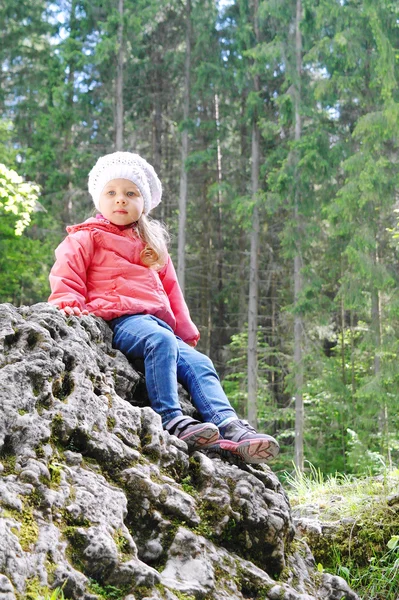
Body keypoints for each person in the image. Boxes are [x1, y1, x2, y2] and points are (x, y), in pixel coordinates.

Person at [48, 151, 279, 465]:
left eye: (130, 194)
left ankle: (229, 425)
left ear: (144, 202)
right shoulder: (87, 236)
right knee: (160, 342)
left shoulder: (152, 244)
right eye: (111, 193)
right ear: (99, 199)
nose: (120, 200)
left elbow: (172, 291)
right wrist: (68, 301)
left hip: (159, 324)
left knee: (199, 363)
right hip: (120, 319)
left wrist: (185, 330)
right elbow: (67, 269)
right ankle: (171, 418)